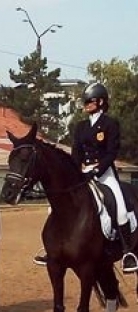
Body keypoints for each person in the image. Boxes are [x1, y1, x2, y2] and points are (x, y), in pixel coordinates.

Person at [34, 83, 138, 272]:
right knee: (55, 208)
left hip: (105, 173)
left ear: (100, 102)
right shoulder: (81, 127)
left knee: (121, 209)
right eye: (85, 101)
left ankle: (127, 251)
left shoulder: (110, 124)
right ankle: (52, 249)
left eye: (90, 101)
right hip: (82, 173)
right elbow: (76, 154)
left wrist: (97, 170)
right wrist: (75, 172)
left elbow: (111, 152)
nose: (86, 104)